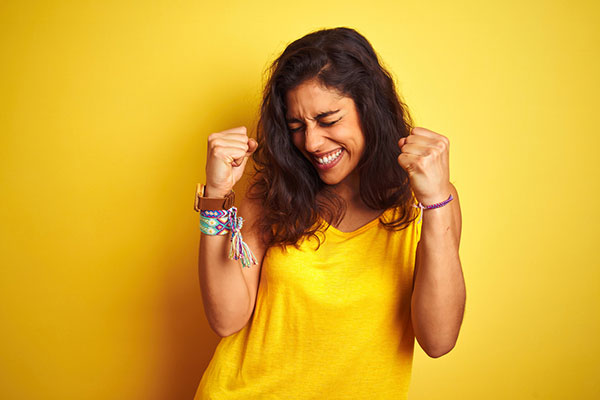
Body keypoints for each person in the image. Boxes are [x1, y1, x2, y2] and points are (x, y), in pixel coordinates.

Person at [193, 26, 466, 399]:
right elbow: (226, 319)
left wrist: (434, 201)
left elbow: (438, 339)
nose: (311, 141)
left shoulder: (429, 202)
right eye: (296, 126)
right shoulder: (272, 194)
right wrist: (216, 194)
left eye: (328, 119)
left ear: (369, 108)